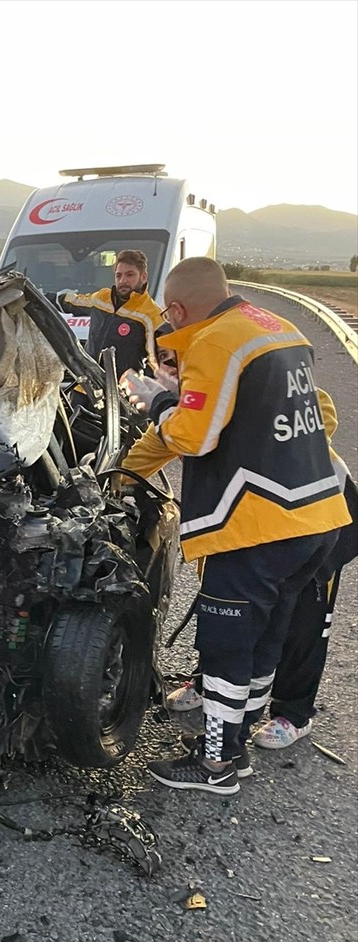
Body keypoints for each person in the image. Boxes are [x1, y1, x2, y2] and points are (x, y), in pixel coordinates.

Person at [123, 258, 349, 796]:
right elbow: (323, 414)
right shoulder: (276, 329)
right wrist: (126, 472)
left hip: (256, 526)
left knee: (226, 646)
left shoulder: (217, 343)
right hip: (316, 518)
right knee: (263, 638)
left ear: (175, 309)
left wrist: (159, 402)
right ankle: (239, 741)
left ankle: (216, 764)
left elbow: (194, 436)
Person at [56, 249, 163, 378]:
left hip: (121, 393)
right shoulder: (102, 298)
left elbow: (156, 364)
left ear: (143, 277)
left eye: (130, 275)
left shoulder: (152, 315)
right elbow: (72, 301)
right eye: (119, 275)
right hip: (87, 386)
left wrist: (139, 389)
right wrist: (38, 298)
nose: (123, 280)